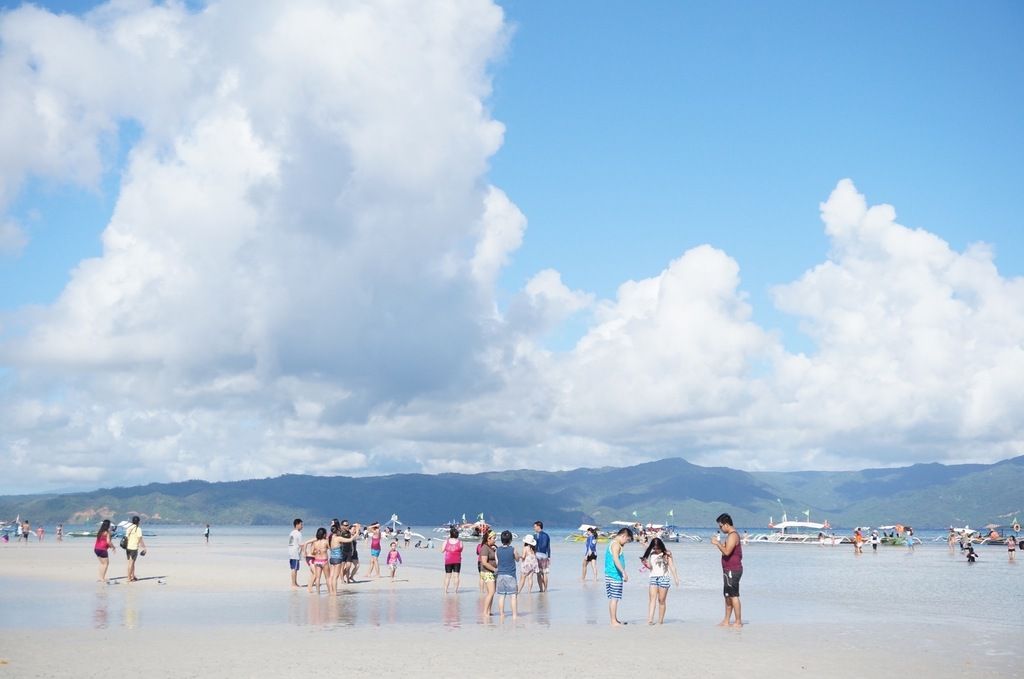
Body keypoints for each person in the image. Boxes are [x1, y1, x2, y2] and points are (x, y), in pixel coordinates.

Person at [712, 513, 742, 627]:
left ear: (726, 524)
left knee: (733, 595)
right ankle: (726, 620)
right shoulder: (731, 535)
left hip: (733, 570)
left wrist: (717, 543)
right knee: (727, 595)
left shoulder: (733, 535)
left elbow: (727, 552)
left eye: (720, 526)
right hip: (728, 569)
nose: (720, 528)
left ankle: (738, 621)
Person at [641, 537, 680, 625]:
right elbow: (651, 567)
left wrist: (676, 578)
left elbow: (672, 566)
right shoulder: (651, 554)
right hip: (653, 578)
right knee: (652, 599)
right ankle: (650, 620)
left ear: (661, 546)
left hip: (664, 578)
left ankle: (660, 621)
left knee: (661, 600)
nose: (656, 550)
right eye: (654, 548)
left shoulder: (667, 553)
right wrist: (645, 564)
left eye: (657, 548)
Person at [605, 527, 633, 626]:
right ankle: (613, 621)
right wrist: (623, 572)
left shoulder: (612, 543)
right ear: (623, 536)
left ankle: (614, 619)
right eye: (627, 540)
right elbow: (616, 559)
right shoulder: (616, 545)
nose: (626, 542)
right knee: (614, 599)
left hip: (610, 574)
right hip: (614, 575)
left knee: (613, 598)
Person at [495, 530, 520, 618]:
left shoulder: (497, 550)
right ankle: (514, 615)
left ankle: (502, 614)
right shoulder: (513, 549)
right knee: (513, 596)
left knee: (501, 596)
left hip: (500, 575)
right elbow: (517, 559)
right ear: (510, 540)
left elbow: (497, 562)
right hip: (510, 575)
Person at [479, 530, 498, 616]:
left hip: (492, 572)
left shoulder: (492, 547)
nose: (495, 540)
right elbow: (484, 562)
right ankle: (484, 612)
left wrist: (496, 550)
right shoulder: (484, 548)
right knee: (491, 592)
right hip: (487, 572)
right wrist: (494, 569)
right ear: (488, 539)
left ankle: (489, 611)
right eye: (494, 538)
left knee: (491, 592)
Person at [125, 516, 147, 583]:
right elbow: (140, 539)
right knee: (131, 563)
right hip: (133, 548)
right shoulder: (138, 529)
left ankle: (133, 576)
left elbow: (126, 537)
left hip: (128, 547)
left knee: (131, 562)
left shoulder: (129, 528)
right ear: (138, 522)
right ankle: (129, 578)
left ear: (132, 521)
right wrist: (144, 547)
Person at [308, 527, 329, 593]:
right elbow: (330, 548)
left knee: (317, 578)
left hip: (317, 561)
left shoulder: (315, 543)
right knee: (327, 578)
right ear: (324, 534)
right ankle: (330, 591)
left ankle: (318, 592)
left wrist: (317, 552)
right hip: (324, 561)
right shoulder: (326, 542)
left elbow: (312, 552)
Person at [442, 527, 463, 594]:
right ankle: (455, 591)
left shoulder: (446, 541)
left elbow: (442, 550)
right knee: (456, 576)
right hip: (457, 560)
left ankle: (445, 591)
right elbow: (461, 550)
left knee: (447, 576)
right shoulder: (460, 542)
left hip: (448, 560)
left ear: (450, 534)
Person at [533, 521, 551, 591]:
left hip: (537, 554)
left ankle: (541, 589)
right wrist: (549, 556)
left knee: (538, 574)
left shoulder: (535, 535)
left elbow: (534, 546)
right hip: (544, 555)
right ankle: (546, 589)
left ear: (538, 526)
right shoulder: (547, 535)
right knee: (545, 573)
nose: (534, 528)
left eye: (534, 526)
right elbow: (548, 547)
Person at [288, 518, 304, 588]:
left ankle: (295, 583)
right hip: (295, 552)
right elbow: (301, 544)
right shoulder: (298, 533)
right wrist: (304, 552)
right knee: (294, 568)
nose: (302, 526)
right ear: (297, 525)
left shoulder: (291, 533)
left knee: (293, 568)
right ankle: (293, 584)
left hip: (291, 551)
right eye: (301, 524)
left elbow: (290, 543)